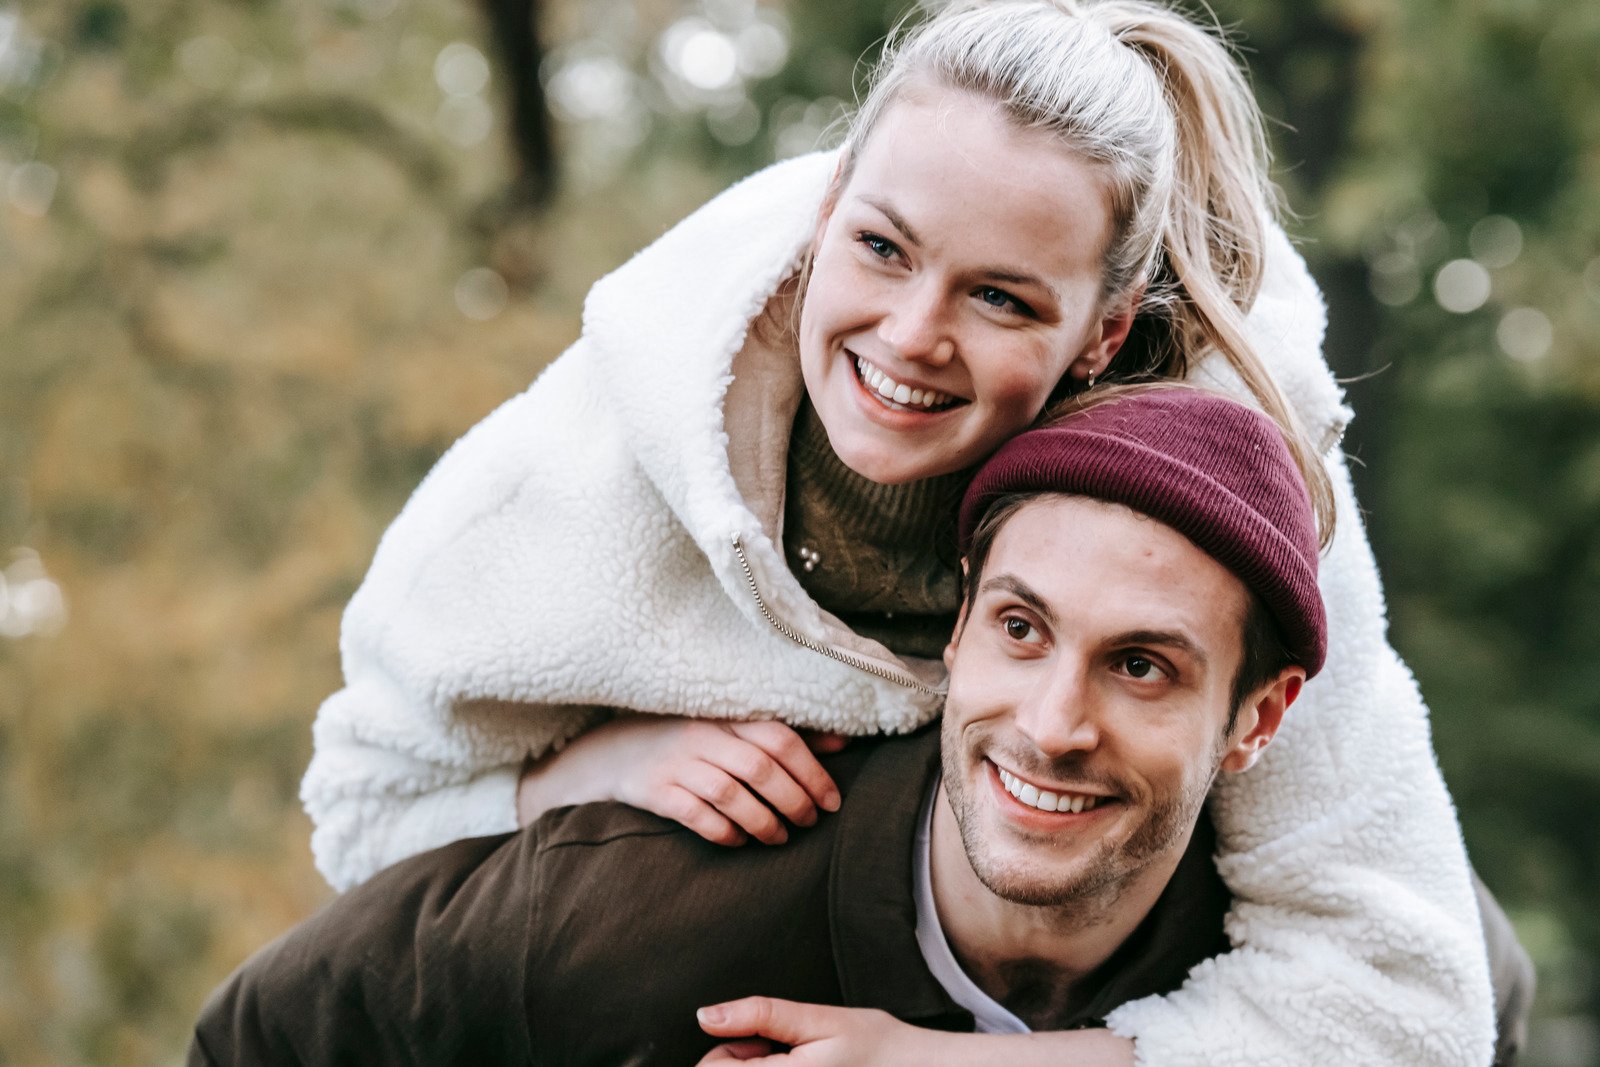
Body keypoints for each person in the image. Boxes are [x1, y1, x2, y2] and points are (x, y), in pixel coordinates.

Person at [298, 1, 1500, 1063]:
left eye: (999, 296)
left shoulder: (1228, 477)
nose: (914, 334)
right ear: (826, 211)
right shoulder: (585, 467)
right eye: (880, 247)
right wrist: (573, 773)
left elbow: (1406, 994)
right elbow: (359, 806)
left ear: (1102, 327)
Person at [193, 387, 1329, 1065]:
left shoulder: (1306, 966)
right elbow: (259, 1038)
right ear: (963, 615)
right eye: (1022, 628)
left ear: (1255, 716)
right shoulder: (627, 898)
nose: (1052, 724)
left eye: (1141, 666)